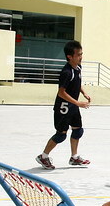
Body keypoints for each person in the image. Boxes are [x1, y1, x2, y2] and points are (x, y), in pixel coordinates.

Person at [35, 40, 91, 170]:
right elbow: (61, 93)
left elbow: (77, 83)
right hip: (63, 108)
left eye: (82, 54)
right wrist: (78, 103)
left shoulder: (78, 68)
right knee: (61, 135)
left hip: (73, 106)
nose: (81, 57)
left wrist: (83, 93)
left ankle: (74, 157)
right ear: (69, 56)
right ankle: (43, 156)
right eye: (78, 55)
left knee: (78, 130)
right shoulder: (66, 72)